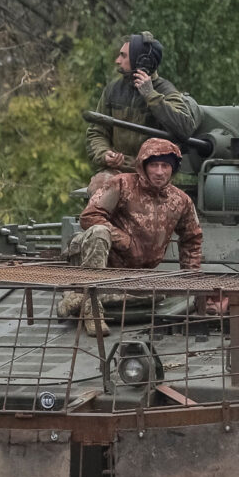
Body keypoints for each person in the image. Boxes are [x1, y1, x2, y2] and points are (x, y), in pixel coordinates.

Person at [60, 137, 202, 335]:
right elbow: (90, 216)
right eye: (154, 165)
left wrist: (191, 281)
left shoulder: (181, 200)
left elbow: (192, 238)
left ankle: (79, 297)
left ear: (173, 169)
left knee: (156, 295)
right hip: (99, 261)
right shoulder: (122, 184)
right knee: (99, 231)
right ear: (143, 166)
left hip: (132, 274)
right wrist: (124, 240)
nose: (159, 172)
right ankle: (92, 310)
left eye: (165, 166)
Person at [85, 31, 199, 193]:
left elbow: (185, 128)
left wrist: (151, 96)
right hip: (118, 171)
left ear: (142, 62)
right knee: (101, 188)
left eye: (123, 56)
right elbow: (97, 132)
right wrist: (104, 154)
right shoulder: (113, 90)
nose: (117, 61)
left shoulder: (166, 92)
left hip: (155, 174)